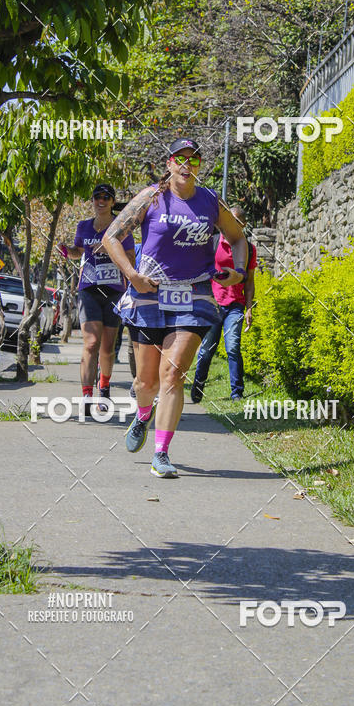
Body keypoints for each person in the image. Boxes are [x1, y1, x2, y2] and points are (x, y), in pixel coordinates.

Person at [102, 138, 248, 478]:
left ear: (199, 166)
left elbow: (238, 237)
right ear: (168, 163)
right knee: (145, 382)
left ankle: (161, 452)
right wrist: (132, 275)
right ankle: (142, 414)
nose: (187, 165)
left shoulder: (210, 200)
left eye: (194, 160)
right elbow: (111, 236)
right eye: (180, 159)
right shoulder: (151, 197)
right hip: (149, 291)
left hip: (194, 293)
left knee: (174, 373)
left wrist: (237, 273)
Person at [58, 184, 135, 414]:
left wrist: (112, 251)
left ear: (112, 202)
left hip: (113, 291)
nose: (100, 201)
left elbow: (130, 257)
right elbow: (77, 251)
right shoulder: (84, 226)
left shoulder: (121, 227)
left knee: (108, 348)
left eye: (106, 197)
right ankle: (86, 397)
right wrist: (65, 250)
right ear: (92, 200)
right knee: (91, 343)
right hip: (89, 289)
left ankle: (104, 387)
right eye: (97, 197)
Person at [191, 205, 257, 402]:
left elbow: (250, 280)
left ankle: (237, 392)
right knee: (206, 350)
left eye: (236, 221)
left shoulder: (248, 249)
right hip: (213, 304)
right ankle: (198, 385)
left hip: (235, 306)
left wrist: (249, 307)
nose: (231, 224)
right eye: (229, 219)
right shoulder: (212, 243)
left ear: (243, 225)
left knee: (233, 348)